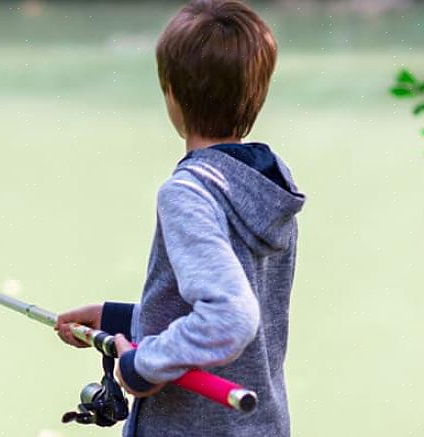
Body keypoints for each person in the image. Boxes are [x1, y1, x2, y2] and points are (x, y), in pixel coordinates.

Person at [55, 1, 305, 436]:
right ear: (258, 94)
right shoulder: (264, 184)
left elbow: (232, 319)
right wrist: (123, 319)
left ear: (171, 90)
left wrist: (142, 366)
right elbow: (223, 316)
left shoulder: (188, 193)